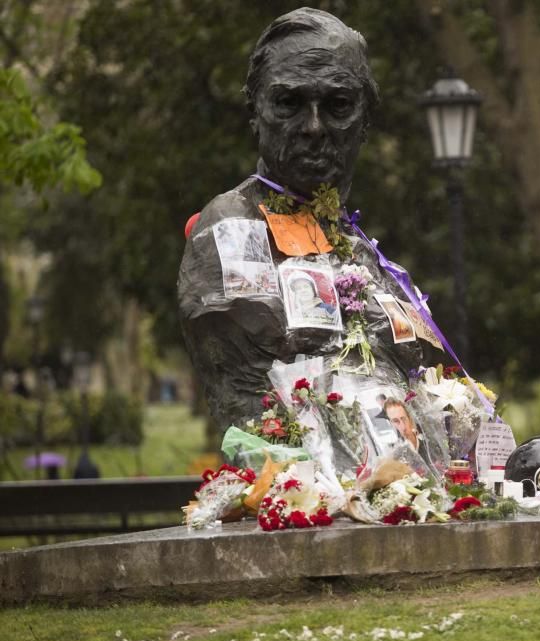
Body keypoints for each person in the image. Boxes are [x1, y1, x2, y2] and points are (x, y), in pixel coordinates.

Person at [178, 8, 444, 429]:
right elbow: (256, 409)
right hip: (309, 488)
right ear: (255, 113)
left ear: (365, 122)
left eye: (338, 105)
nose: (314, 128)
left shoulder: (358, 245)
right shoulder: (235, 225)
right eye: (289, 103)